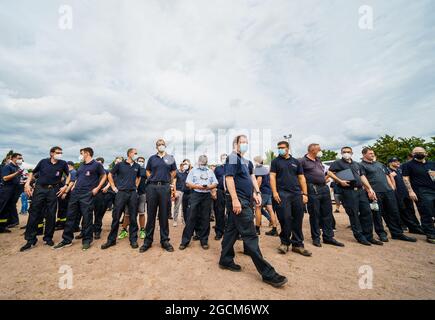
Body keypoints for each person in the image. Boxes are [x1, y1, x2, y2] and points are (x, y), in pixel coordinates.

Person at [219, 135, 287, 288]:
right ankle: (268, 273)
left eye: (246, 142)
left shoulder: (247, 162)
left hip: (247, 199)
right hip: (239, 201)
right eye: (241, 142)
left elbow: (252, 177)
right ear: (235, 144)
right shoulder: (232, 158)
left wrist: (257, 193)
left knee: (231, 231)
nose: (244, 144)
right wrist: (235, 199)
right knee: (250, 235)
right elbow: (229, 179)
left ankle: (225, 260)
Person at [53, 147, 107, 251]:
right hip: (75, 194)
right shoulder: (82, 166)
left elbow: (104, 175)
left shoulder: (97, 164)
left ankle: (87, 240)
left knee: (87, 218)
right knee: (70, 216)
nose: (80, 155)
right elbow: (76, 178)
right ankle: (66, 240)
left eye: (81, 153)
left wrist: (97, 188)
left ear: (87, 153)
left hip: (87, 194)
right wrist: (71, 187)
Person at [328, 147, 383, 246]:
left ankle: (369, 236)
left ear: (352, 153)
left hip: (360, 191)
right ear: (341, 153)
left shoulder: (357, 164)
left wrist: (369, 189)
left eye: (348, 152)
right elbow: (330, 172)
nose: (346, 153)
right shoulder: (337, 163)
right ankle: (360, 236)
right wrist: (340, 181)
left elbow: (362, 176)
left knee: (367, 212)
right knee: (354, 214)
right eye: (344, 152)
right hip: (348, 192)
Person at [359, 148, 416, 242]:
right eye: (370, 153)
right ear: (364, 154)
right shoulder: (361, 165)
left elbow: (387, 175)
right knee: (377, 214)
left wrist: (392, 187)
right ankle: (381, 233)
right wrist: (369, 190)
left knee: (394, 212)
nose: (372, 155)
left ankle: (397, 233)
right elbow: (362, 178)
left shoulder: (380, 164)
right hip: (375, 193)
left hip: (388, 191)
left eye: (373, 153)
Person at [20, 147, 70, 251]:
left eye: (61, 153)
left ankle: (48, 238)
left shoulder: (63, 163)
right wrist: (27, 184)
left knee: (51, 214)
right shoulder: (43, 162)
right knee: (34, 213)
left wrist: (65, 185)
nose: (60, 154)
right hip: (40, 189)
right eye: (57, 153)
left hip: (53, 190)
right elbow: (32, 173)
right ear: (51, 153)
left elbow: (69, 175)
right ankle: (30, 240)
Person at [270, 141, 312, 256]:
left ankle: (298, 245)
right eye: (279, 148)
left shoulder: (296, 162)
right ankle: (284, 243)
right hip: (282, 194)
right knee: (285, 218)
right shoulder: (275, 162)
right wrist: (274, 192)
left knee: (298, 219)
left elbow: (302, 178)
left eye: (283, 147)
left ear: (288, 148)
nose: (280, 149)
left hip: (296, 194)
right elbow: (272, 177)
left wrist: (305, 194)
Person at [299, 144, 344, 247]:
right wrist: (303, 192)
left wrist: (338, 180)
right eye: (319, 149)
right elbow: (299, 176)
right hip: (312, 189)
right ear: (312, 150)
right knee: (315, 214)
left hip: (324, 188)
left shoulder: (318, 160)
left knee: (327, 214)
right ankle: (316, 238)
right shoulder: (302, 161)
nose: (321, 151)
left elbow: (326, 172)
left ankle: (328, 237)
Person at [139, 139, 176, 253]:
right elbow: (148, 170)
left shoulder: (170, 158)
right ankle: (148, 241)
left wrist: (168, 179)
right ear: (156, 147)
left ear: (165, 146)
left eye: (162, 144)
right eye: (159, 144)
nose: (161, 146)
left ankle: (165, 240)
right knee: (151, 214)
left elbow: (174, 171)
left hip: (165, 187)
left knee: (164, 214)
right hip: (152, 187)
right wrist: (151, 178)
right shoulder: (152, 158)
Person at [101, 148, 141, 250]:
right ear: (129, 154)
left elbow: (139, 177)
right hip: (121, 193)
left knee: (133, 217)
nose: (136, 155)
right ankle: (111, 240)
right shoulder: (120, 165)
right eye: (135, 153)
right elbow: (110, 174)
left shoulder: (137, 166)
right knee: (116, 216)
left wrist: (136, 186)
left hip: (132, 193)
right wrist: (114, 187)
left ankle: (133, 239)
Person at [179, 155, 218, 250]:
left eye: (205, 164)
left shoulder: (210, 171)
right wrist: (197, 186)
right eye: (202, 163)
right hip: (195, 194)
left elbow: (215, 183)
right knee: (191, 217)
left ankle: (204, 240)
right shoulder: (193, 171)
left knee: (205, 218)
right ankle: (185, 241)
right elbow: (188, 183)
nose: (203, 165)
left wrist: (209, 187)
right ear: (198, 162)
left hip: (206, 195)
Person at [402, 147, 435, 244]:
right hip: (421, 191)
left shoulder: (432, 164)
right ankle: (431, 234)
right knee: (426, 212)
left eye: (421, 152)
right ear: (412, 154)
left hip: (433, 188)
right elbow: (405, 178)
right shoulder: (408, 165)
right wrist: (410, 191)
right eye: (416, 152)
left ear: (426, 153)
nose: (419, 153)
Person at [387, 157, 424, 234]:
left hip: (406, 193)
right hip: (397, 194)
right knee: (402, 210)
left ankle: (416, 226)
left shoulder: (401, 170)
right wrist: (391, 176)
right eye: (395, 161)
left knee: (411, 210)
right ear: (390, 163)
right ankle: (405, 225)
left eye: (398, 161)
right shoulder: (388, 171)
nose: (398, 162)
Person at [253, 156, 278, 237]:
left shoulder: (258, 169)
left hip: (262, 192)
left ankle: (257, 229)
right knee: (270, 210)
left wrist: (256, 192)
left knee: (258, 208)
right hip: (268, 191)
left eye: (254, 161)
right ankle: (274, 229)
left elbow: (259, 180)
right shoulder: (265, 169)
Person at [0, 153, 24, 233]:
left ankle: (3, 226)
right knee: (2, 208)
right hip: (6, 190)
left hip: (14, 190)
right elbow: (5, 178)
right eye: (19, 158)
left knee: (7, 209)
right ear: (13, 158)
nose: (20, 159)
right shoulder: (7, 167)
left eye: (21, 158)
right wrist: (17, 173)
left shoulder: (17, 167)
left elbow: (17, 179)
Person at [56, 161, 77, 230]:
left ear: (69, 165)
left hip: (67, 194)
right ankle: (58, 222)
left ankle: (63, 224)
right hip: (62, 192)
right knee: (61, 208)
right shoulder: (67, 173)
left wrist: (65, 192)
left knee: (64, 208)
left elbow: (71, 183)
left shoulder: (73, 172)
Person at [213, 154, 227, 240]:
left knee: (232, 212)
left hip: (230, 192)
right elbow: (213, 180)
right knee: (219, 211)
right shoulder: (217, 169)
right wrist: (214, 191)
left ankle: (232, 232)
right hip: (220, 191)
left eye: (225, 158)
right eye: (222, 158)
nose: (224, 159)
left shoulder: (231, 167)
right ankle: (219, 231)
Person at [173, 161, 189, 227]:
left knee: (184, 207)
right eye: (183, 164)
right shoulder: (177, 172)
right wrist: (175, 191)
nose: (184, 166)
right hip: (178, 191)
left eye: (186, 164)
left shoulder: (187, 173)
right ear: (181, 165)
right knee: (177, 207)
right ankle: (175, 220)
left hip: (185, 192)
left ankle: (184, 220)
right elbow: (174, 182)